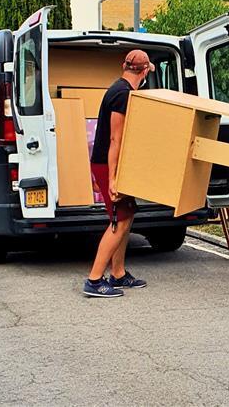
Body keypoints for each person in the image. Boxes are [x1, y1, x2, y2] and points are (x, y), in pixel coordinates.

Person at [82, 49, 154, 298]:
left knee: (127, 215)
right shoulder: (122, 94)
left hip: (114, 164)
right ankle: (94, 280)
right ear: (144, 72)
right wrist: (112, 179)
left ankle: (118, 273)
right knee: (118, 221)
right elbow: (116, 139)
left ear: (125, 67)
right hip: (107, 164)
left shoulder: (121, 89)